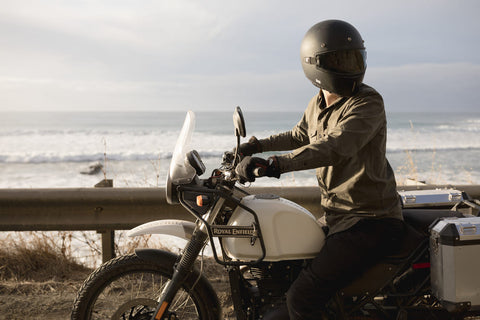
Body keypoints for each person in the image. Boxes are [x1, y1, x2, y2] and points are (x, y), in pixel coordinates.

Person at [235, 19, 405, 319]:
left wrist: (275, 164)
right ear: (315, 66)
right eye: (340, 60)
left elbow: (335, 146)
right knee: (286, 269)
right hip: (338, 217)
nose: (350, 67)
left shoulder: (367, 103)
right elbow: (299, 135)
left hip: (370, 222)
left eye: (354, 58)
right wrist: (256, 146)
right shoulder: (317, 103)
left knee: (302, 297)